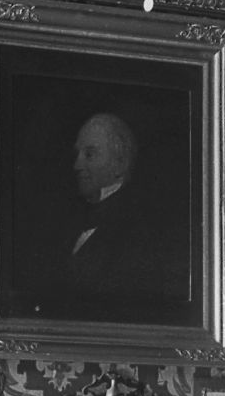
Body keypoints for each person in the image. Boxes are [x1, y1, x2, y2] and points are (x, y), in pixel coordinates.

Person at [38, 108, 189, 319]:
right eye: (77, 155)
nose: (77, 165)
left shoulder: (141, 229)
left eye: (89, 154)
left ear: (120, 163)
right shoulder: (70, 220)